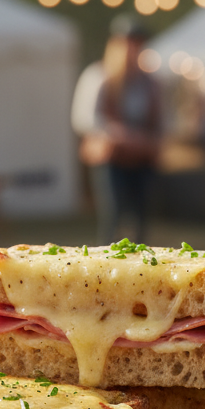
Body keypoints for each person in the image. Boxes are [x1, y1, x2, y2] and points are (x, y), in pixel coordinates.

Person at [77, 16, 162, 244]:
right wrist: (119, 135)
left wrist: (147, 140)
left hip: (142, 159)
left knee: (141, 219)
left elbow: (161, 122)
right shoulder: (98, 76)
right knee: (112, 216)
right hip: (112, 158)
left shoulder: (150, 83)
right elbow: (85, 118)